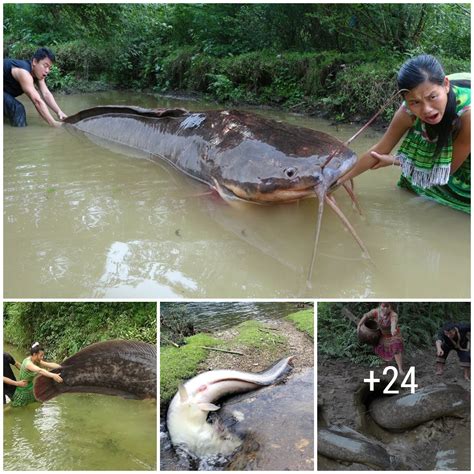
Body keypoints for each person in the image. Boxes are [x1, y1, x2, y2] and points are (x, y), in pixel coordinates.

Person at [339, 54, 470, 213]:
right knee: (412, 188)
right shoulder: (407, 111)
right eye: (415, 102)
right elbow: (379, 150)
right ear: (406, 100)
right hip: (448, 141)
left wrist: (396, 161)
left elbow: (446, 172)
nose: (427, 109)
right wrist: (335, 182)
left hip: (461, 152)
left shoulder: (469, 115)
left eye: (433, 97)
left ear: (446, 85)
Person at [4, 47, 67, 127]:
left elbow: (46, 94)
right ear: (34, 62)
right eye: (45, 66)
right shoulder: (23, 72)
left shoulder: (37, 74)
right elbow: (37, 101)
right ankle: (20, 136)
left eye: (49, 68)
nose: (47, 71)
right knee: (18, 109)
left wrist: (59, 112)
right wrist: (53, 123)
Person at [10, 342, 63, 407]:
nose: (42, 357)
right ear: (34, 354)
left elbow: (49, 364)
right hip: (23, 391)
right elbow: (40, 370)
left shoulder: (36, 360)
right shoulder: (28, 364)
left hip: (30, 388)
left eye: (43, 355)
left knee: (39, 403)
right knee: (15, 408)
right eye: (41, 355)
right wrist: (53, 375)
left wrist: (62, 367)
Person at [357, 302, 405, 375]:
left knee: (396, 347)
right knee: (379, 347)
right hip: (383, 334)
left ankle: (400, 369)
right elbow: (366, 316)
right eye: (383, 306)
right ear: (380, 306)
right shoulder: (375, 312)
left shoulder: (393, 315)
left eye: (387, 307)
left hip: (393, 335)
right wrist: (359, 325)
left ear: (390, 307)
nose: (385, 309)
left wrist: (393, 330)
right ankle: (387, 364)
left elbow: (393, 323)